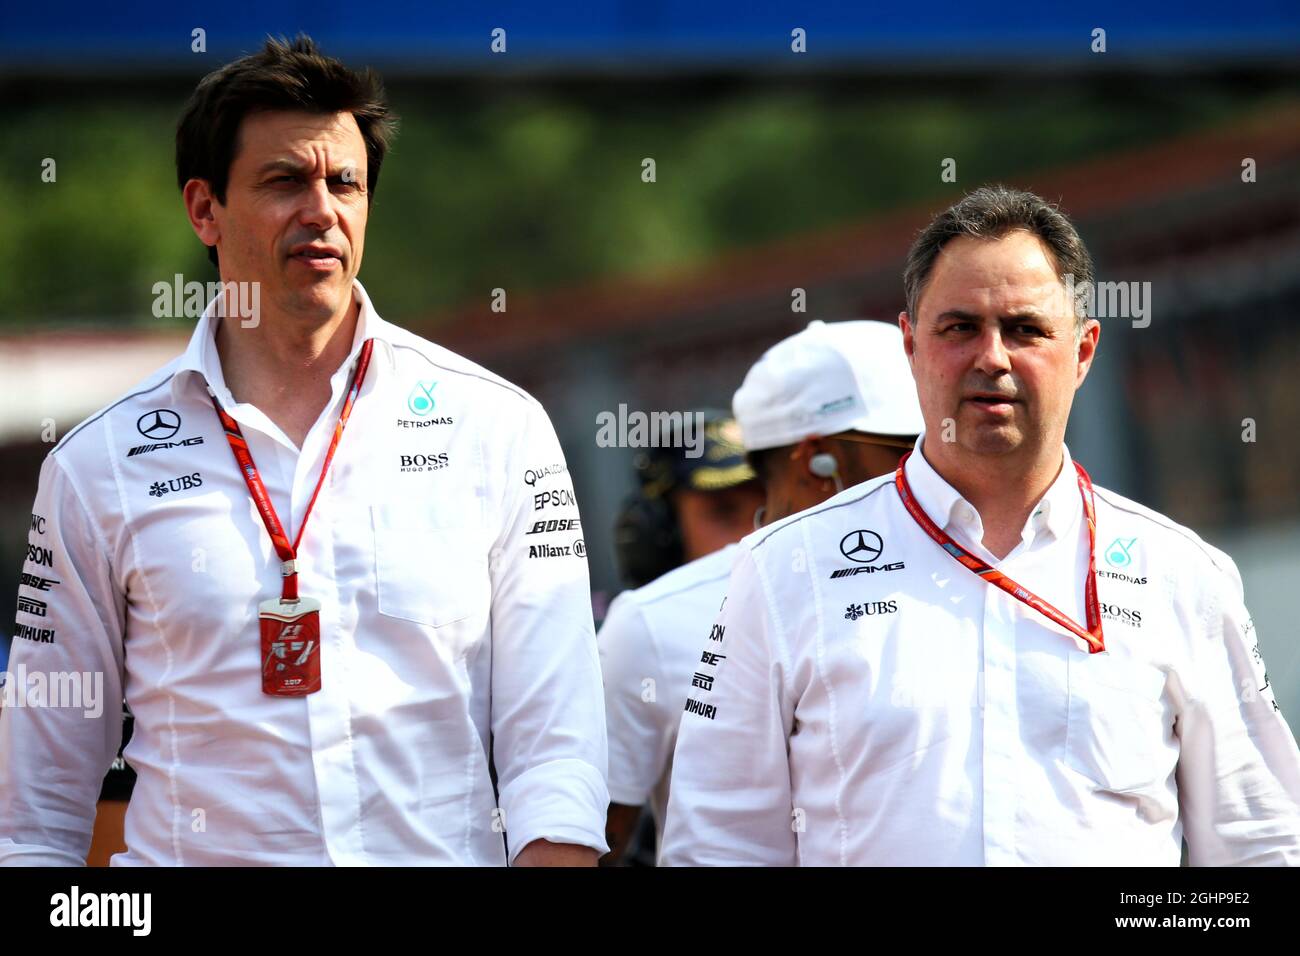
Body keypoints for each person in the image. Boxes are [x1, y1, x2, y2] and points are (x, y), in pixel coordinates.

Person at [0, 35, 608, 867]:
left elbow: (558, 749)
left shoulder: (498, 429)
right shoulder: (95, 467)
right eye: (285, 180)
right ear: (203, 209)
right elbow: (34, 814)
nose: (321, 209)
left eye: (345, 183)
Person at [661, 185, 1300, 866]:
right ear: (911, 346)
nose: (992, 357)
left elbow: (1256, 845)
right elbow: (717, 849)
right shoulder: (783, 569)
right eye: (960, 327)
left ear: (1083, 352)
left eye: (1025, 329)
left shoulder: (1183, 575)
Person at [600, 320, 922, 863]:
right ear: (819, 461)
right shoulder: (655, 622)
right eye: (906, 449)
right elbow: (587, 845)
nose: (935, 469)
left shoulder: (968, 586)